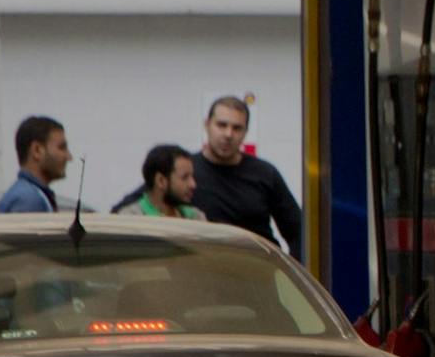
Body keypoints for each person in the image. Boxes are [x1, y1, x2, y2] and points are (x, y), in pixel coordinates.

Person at [191, 96, 303, 258]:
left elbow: (298, 232)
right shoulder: (185, 172)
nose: (228, 134)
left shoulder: (265, 173)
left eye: (237, 128)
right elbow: (146, 207)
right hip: (202, 273)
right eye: (221, 125)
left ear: (246, 132)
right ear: (207, 125)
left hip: (258, 275)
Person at [0, 116, 70, 213]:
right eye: (61, 147)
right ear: (37, 150)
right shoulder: (29, 200)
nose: (69, 157)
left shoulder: (30, 194)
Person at [115, 145, 204, 219]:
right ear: (161, 181)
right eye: (184, 177)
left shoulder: (195, 217)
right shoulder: (131, 218)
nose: (193, 184)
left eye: (192, 177)